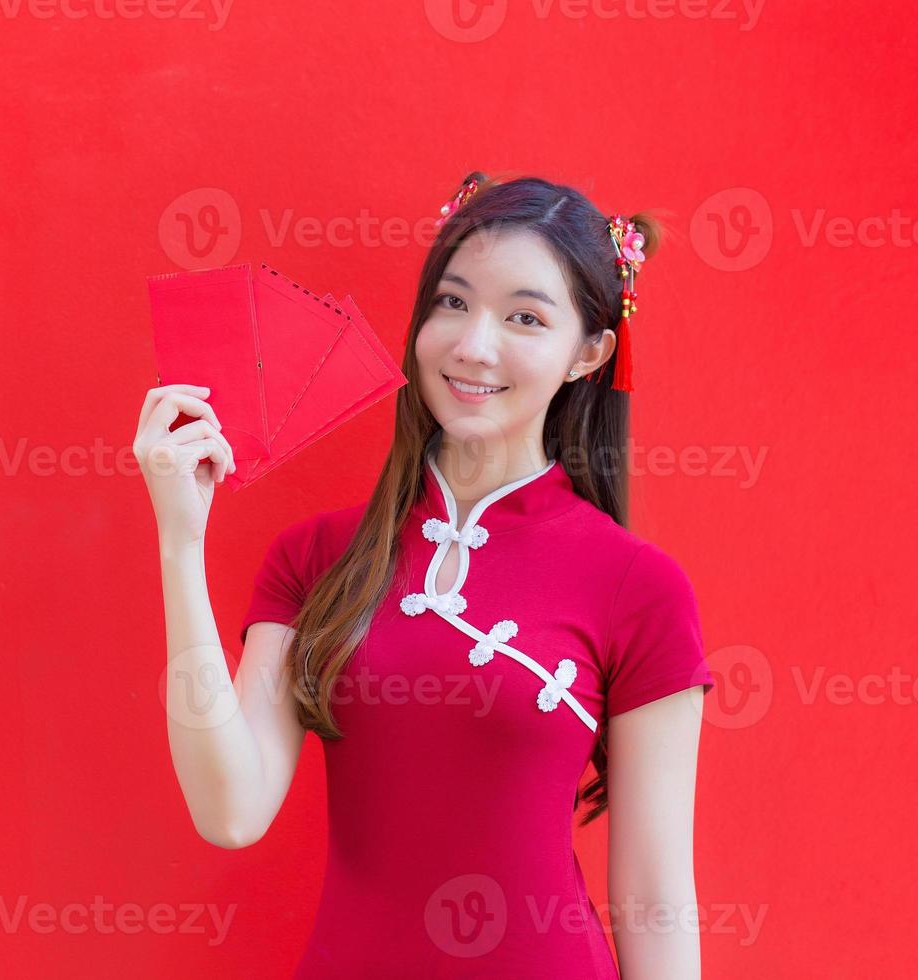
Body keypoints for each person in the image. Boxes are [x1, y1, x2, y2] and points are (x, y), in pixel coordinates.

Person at [133, 173, 716, 979]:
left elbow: (653, 897)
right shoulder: (316, 560)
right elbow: (230, 809)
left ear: (590, 353)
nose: (474, 344)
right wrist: (179, 540)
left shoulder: (638, 588)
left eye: (524, 317)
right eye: (452, 302)